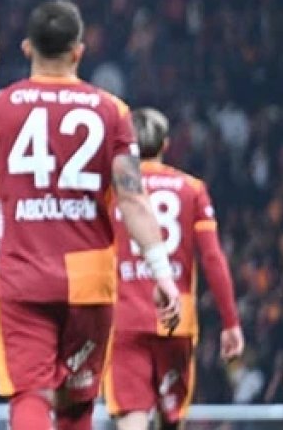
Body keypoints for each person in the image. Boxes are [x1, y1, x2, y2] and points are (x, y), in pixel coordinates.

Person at [0, 0, 181, 430]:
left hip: (22, 275)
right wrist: (161, 272)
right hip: (90, 281)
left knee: (31, 394)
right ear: (78, 52)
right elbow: (133, 199)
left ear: (27, 48)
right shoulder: (112, 111)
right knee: (76, 403)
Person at [104, 108, 243, 430]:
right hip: (176, 319)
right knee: (171, 419)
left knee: (132, 416)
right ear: (165, 144)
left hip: (124, 320)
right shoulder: (191, 188)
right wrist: (230, 322)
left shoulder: (113, 192)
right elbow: (212, 258)